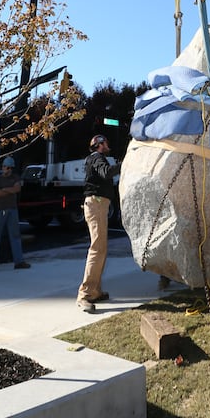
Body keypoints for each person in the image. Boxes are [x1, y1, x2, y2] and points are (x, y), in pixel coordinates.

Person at [76, 134, 120, 313]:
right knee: (96, 249)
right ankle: (84, 295)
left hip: (99, 205)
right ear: (100, 145)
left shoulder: (97, 159)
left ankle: (95, 291)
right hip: (96, 205)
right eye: (106, 142)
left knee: (101, 249)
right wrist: (124, 165)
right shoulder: (96, 158)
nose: (108, 145)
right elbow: (107, 172)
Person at [0, 157, 31, 272]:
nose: (5, 169)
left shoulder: (15, 177)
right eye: (4, 167)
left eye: (7, 167)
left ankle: (19, 261)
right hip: (0, 210)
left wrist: (5, 189)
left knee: (15, 236)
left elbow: (17, 189)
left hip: (12, 209)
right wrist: (10, 189)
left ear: (11, 168)